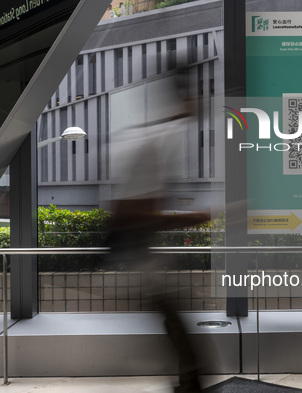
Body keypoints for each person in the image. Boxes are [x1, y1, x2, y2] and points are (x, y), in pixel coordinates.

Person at [107, 69, 209, 393]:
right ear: (183, 99)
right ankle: (189, 382)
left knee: (173, 318)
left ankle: (188, 380)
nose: (201, 103)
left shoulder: (165, 134)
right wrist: (188, 219)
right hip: (136, 255)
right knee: (174, 317)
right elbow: (129, 214)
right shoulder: (152, 144)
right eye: (194, 95)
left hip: (141, 253)